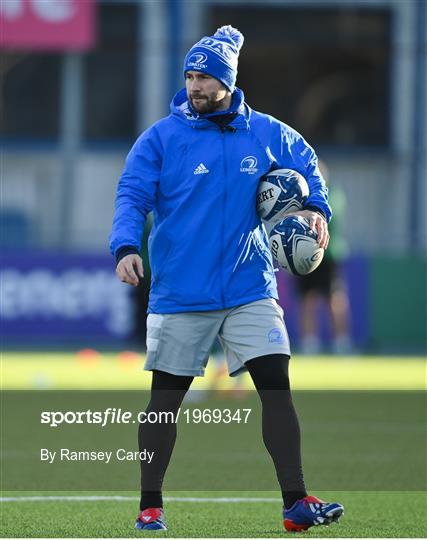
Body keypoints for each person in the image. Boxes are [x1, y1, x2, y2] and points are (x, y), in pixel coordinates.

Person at [110, 25, 344, 533]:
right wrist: (126, 246)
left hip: (248, 287)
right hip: (180, 290)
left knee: (277, 388)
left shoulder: (268, 132)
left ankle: (295, 502)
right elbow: (131, 195)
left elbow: (308, 163)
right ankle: (150, 505)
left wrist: (317, 208)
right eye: (190, 75)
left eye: (204, 77)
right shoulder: (161, 138)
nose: (194, 85)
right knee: (164, 401)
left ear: (227, 82)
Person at [297, 161, 352, 355]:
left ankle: (341, 341)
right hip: (304, 254)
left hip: (327, 254)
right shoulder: (303, 197)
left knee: (334, 298)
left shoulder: (332, 194)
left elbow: (326, 217)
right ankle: (309, 341)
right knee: (307, 299)